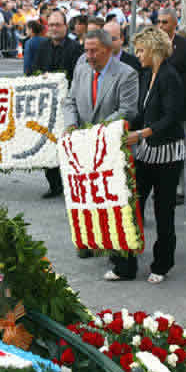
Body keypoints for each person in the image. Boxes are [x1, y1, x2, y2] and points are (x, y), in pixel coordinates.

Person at [64, 28, 139, 272]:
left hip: (110, 148)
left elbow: (128, 109)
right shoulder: (82, 68)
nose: (89, 56)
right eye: (86, 50)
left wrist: (96, 132)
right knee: (86, 196)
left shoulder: (127, 74)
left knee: (112, 199)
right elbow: (71, 101)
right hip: (82, 146)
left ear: (107, 50)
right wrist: (71, 125)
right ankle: (88, 240)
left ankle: (117, 248)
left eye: (94, 51)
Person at [115, 26, 185, 284]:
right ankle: (125, 264)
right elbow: (141, 111)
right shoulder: (146, 75)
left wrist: (142, 133)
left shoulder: (169, 76)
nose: (138, 55)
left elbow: (172, 117)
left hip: (167, 152)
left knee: (163, 210)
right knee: (133, 205)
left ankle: (162, 264)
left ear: (155, 50)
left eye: (141, 50)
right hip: (146, 150)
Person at [31, 10, 83, 199]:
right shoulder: (42, 47)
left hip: (68, 104)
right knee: (47, 144)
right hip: (46, 105)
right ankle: (54, 184)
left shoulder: (75, 48)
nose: (53, 28)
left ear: (65, 26)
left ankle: (71, 185)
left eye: (57, 25)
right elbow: (33, 71)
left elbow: (79, 76)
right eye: (50, 25)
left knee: (69, 145)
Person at [157, 8, 186, 206]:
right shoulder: (153, 46)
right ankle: (161, 187)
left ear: (174, 24)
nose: (161, 26)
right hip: (157, 109)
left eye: (165, 22)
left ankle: (179, 189)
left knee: (178, 149)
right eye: (159, 22)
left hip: (179, 109)